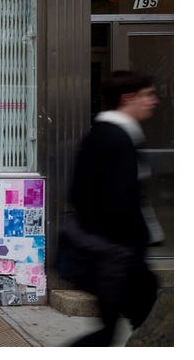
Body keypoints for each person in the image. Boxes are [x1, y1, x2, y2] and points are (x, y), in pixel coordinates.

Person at [66, 70, 160, 346]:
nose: (153, 101)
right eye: (147, 95)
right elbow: (118, 201)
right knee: (148, 323)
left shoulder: (111, 134)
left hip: (110, 254)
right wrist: (132, 244)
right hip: (117, 255)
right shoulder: (114, 138)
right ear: (128, 98)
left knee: (111, 330)